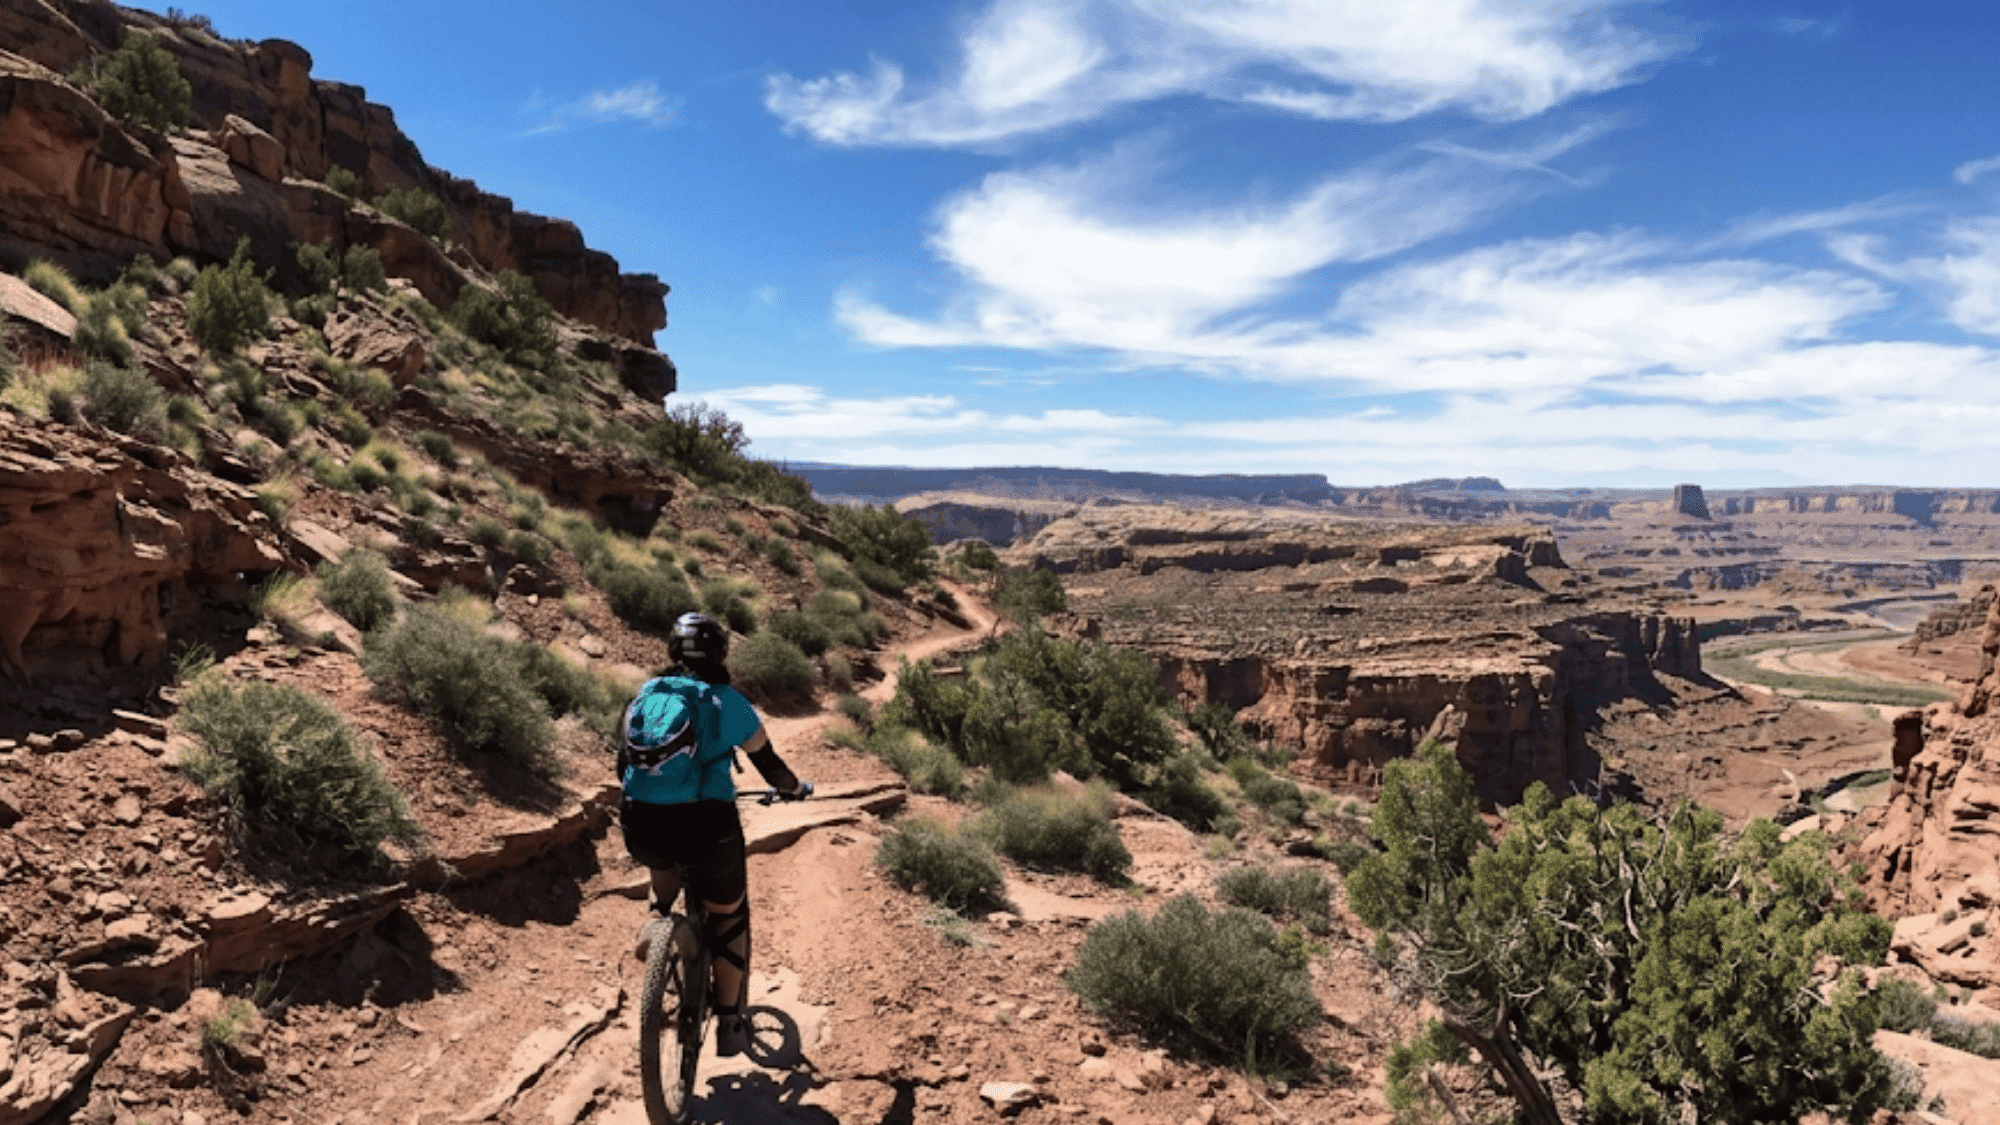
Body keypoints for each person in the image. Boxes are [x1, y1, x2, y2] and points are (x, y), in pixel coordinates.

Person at [618, 611, 809, 1058]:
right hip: (709, 828)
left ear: (672, 651)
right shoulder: (729, 704)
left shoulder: (644, 696)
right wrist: (794, 789)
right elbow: (771, 766)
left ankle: (659, 919)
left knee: (660, 858)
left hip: (642, 823)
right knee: (729, 917)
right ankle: (729, 1022)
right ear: (721, 654)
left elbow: (623, 764)